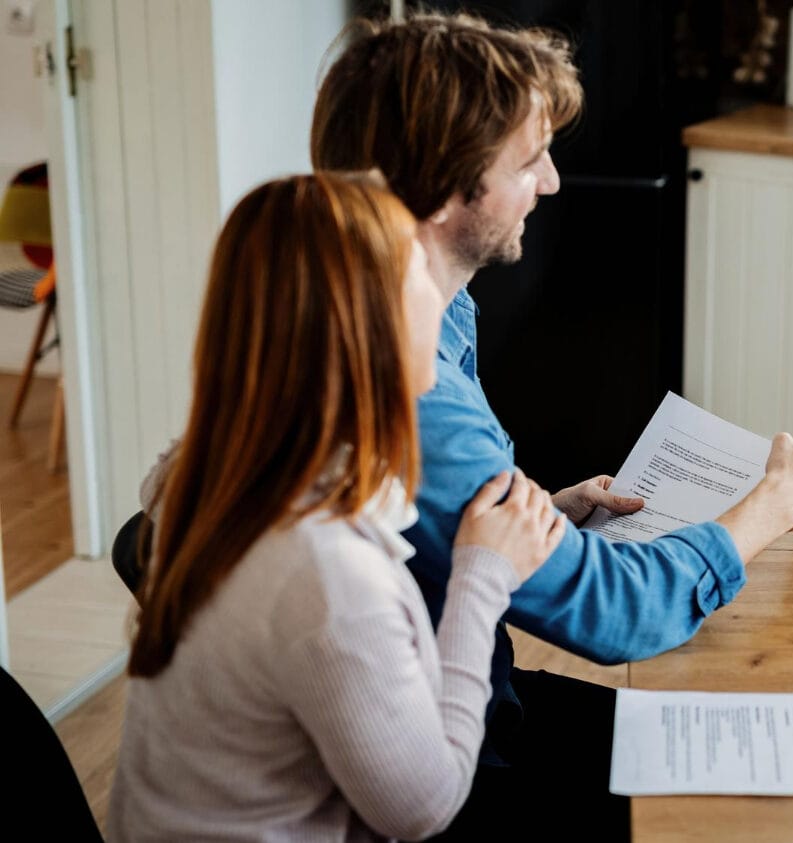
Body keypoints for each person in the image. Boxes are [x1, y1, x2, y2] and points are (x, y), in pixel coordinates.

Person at [308, 14, 793, 839]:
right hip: (445, 758)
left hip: (464, 693)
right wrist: (775, 501)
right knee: (761, 799)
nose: (553, 182)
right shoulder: (413, 392)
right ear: (446, 189)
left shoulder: (432, 313)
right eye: (530, 161)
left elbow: (430, 528)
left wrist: (543, 517)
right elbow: (617, 614)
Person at [108, 173, 568, 841]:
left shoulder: (217, 471)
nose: (441, 295)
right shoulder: (323, 569)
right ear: (368, 328)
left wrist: (531, 520)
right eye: (420, 275)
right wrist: (482, 575)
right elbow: (423, 806)